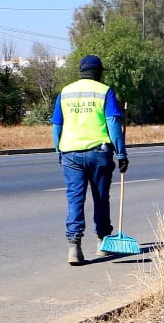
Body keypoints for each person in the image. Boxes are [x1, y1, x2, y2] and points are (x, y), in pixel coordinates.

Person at [52, 54, 128, 265]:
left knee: (75, 199)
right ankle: (103, 242)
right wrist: (121, 153)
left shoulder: (65, 92)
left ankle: (74, 247)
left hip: (70, 154)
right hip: (99, 153)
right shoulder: (105, 91)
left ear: (81, 71)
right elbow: (113, 123)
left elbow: (57, 124)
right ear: (99, 72)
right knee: (100, 198)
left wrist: (58, 149)